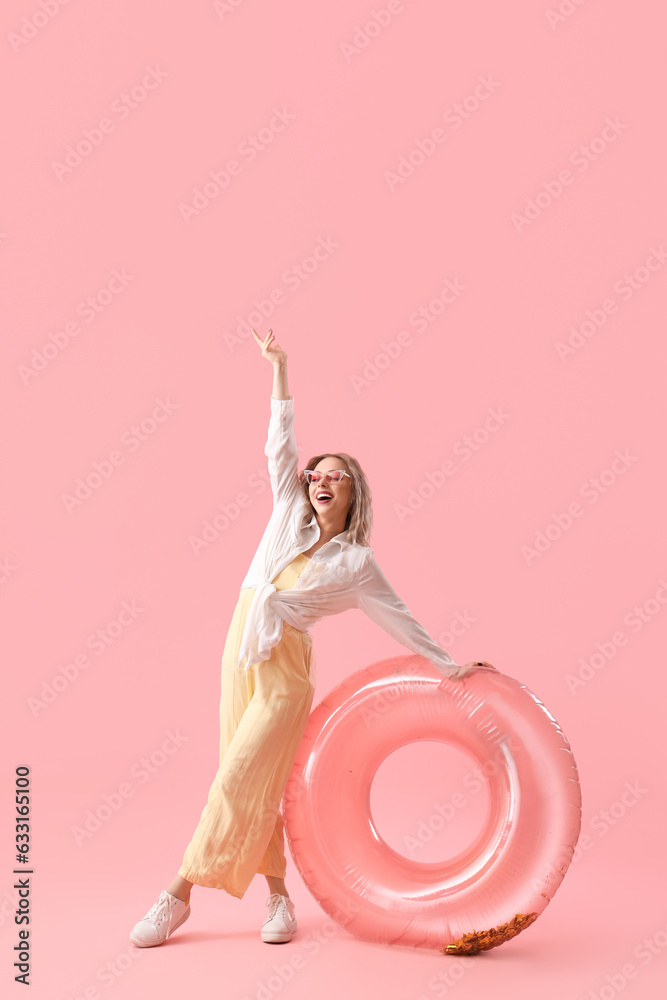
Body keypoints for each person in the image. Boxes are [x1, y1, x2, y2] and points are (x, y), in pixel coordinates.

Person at [129, 328, 495, 948]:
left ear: (353, 495)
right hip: (239, 647)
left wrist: (448, 664)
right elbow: (280, 443)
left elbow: (399, 615)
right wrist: (280, 368)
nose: (321, 479)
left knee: (238, 776)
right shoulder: (285, 515)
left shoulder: (357, 564)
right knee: (252, 777)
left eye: (337, 477)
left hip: (285, 668)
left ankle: (176, 894)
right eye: (316, 474)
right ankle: (279, 900)